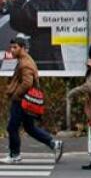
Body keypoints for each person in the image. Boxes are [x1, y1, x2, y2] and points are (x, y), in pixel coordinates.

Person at [2, 36, 63, 165]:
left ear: (23, 48)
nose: (12, 50)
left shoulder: (25, 63)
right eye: (11, 47)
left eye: (15, 47)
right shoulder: (24, 60)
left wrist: (16, 94)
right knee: (29, 128)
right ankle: (54, 143)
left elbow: (27, 83)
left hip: (21, 100)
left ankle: (14, 155)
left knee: (12, 128)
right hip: (25, 100)